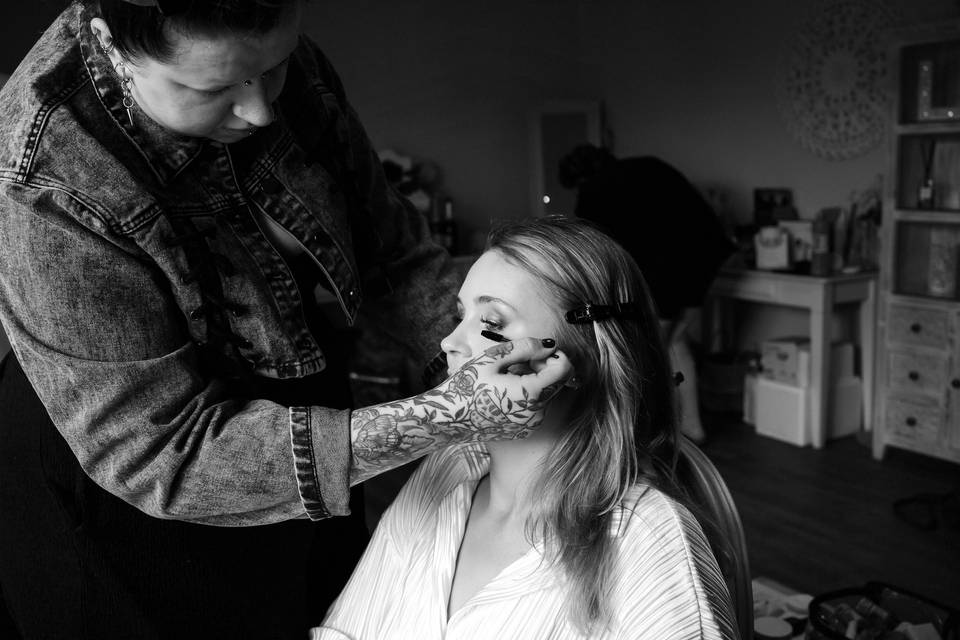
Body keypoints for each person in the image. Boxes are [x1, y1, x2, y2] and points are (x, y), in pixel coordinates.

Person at [0, 2, 570, 638]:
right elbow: (157, 451)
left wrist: (481, 358)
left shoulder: (282, 67)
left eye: (272, 70)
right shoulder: (44, 171)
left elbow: (393, 254)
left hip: (307, 403)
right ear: (110, 41)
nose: (260, 111)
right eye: (211, 87)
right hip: (139, 470)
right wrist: (445, 415)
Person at [312, 216, 739, 639]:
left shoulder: (650, 545)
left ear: (577, 359)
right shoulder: (448, 472)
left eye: (492, 323)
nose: (448, 342)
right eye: (460, 314)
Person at [559, 144, 737, 444]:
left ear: (580, 178)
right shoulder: (649, 166)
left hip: (664, 274)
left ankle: (638, 435)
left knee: (643, 353)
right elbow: (702, 222)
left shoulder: (596, 191)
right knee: (675, 344)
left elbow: (592, 247)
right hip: (701, 264)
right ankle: (692, 426)